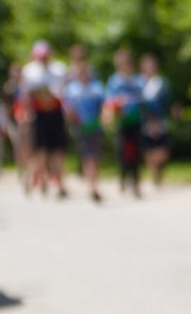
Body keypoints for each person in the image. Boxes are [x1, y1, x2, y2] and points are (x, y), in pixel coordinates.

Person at [21, 40, 69, 198]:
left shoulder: (59, 70)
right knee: (39, 151)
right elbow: (26, 95)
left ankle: (60, 183)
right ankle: (36, 180)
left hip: (55, 113)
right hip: (39, 114)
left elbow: (63, 93)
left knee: (57, 150)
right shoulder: (29, 72)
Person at [63, 59, 107, 203]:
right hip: (80, 127)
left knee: (96, 156)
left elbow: (104, 106)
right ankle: (92, 186)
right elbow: (67, 109)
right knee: (87, 156)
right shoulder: (72, 89)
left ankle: (94, 183)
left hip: (96, 126)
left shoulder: (97, 88)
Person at [104, 48, 145, 198]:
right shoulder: (114, 82)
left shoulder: (138, 81)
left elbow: (143, 98)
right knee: (122, 151)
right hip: (122, 121)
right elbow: (109, 100)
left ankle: (135, 182)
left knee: (136, 152)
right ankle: (123, 177)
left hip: (136, 120)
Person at [138, 52, 171, 187]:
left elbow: (167, 101)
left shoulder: (161, 83)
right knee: (148, 148)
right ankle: (153, 173)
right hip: (146, 120)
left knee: (162, 149)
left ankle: (158, 170)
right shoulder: (139, 83)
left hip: (160, 119)